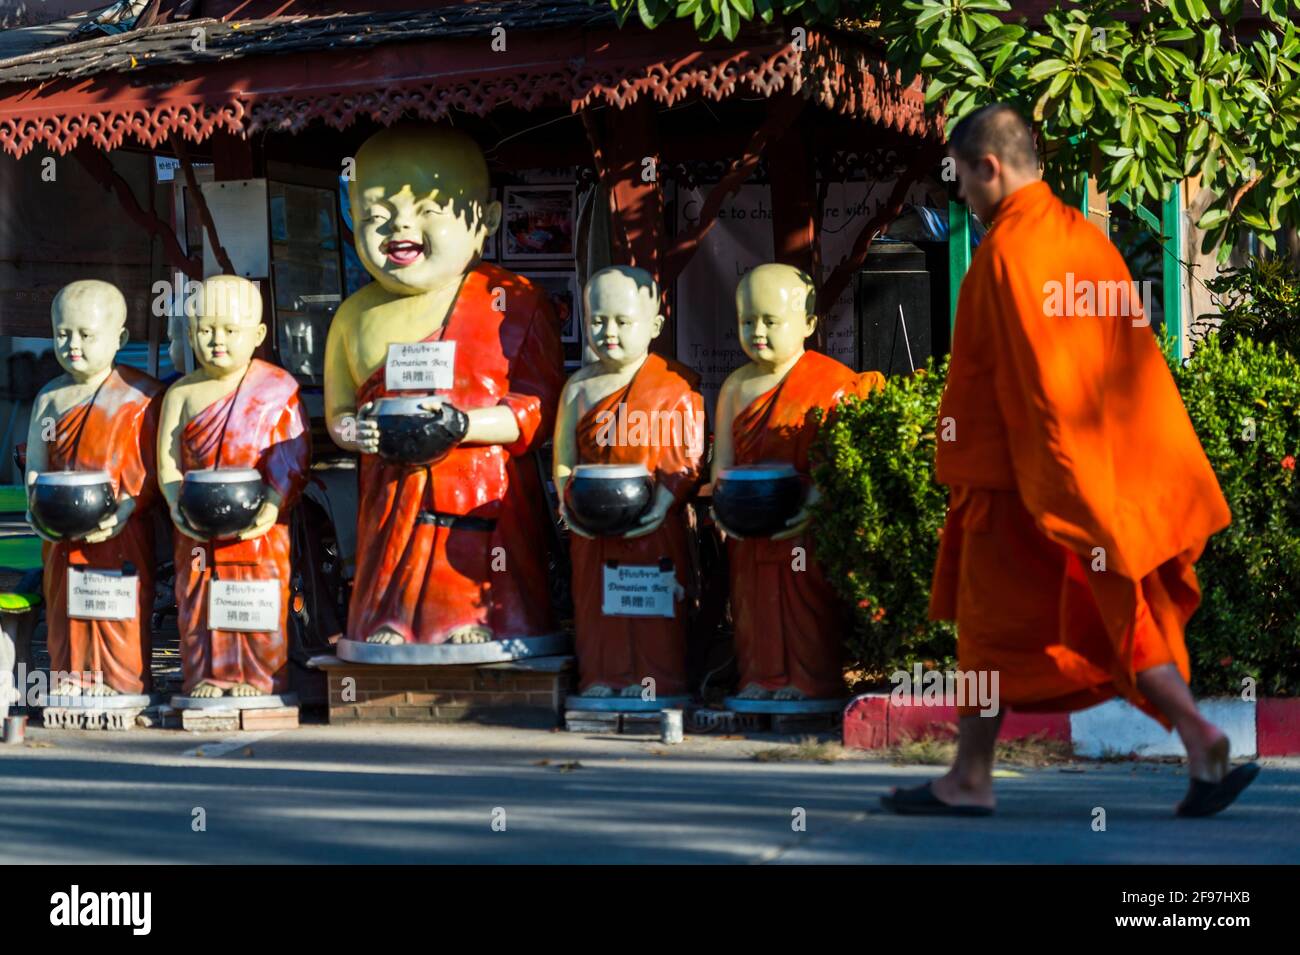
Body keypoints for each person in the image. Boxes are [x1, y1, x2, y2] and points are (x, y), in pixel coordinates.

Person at [882, 103, 1257, 818]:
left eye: (961, 181)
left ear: (988, 168)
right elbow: (1131, 368)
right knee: (1113, 612)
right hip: (1074, 474)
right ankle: (1194, 735)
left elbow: (1047, 394)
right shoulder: (1086, 240)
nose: (960, 197)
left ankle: (973, 776)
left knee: (994, 634)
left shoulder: (1008, 254)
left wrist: (1075, 500)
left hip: (1029, 488)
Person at [323, 125, 563, 650]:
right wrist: (354, 432)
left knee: (475, 554)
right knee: (388, 560)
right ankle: (387, 618)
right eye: (376, 212)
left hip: (481, 491)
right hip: (389, 487)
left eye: (428, 209)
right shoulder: (354, 316)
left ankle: (484, 619)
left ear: (488, 221)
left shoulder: (511, 302)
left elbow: (539, 410)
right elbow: (339, 412)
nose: (399, 225)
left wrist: (464, 426)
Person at [712, 264, 884, 701]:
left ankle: (808, 680)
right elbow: (724, 463)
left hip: (805, 524)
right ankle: (759, 677)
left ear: (808, 324)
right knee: (754, 605)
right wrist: (723, 506)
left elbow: (837, 464)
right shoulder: (735, 386)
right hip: (748, 523)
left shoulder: (829, 384)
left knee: (803, 605)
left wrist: (812, 505)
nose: (758, 332)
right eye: (747, 321)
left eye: (771, 321)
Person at [553, 266, 705, 698]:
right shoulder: (578, 389)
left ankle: (658, 681)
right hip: (592, 523)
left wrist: (662, 505)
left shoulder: (676, 386)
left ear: (655, 325)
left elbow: (686, 457)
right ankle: (604, 676)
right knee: (599, 605)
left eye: (623, 321)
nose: (609, 332)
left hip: (655, 521)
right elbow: (564, 458)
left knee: (654, 602)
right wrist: (568, 506)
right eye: (598, 320)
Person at [157, 276, 310, 698]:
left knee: (255, 594)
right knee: (198, 599)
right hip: (196, 521)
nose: (216, 341)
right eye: (205, 330)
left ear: (258, 334)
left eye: (230, 330)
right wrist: (174, 503)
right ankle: (207, 674)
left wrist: (271, 506)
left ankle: (258, 677)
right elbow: (168, 460)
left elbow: (291, 454)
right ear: (190, 334)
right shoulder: (182, 393)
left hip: (260, 522)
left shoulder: (277, 389)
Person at [25, 280, 163, 697]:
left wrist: (125, 509)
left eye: (86, 335)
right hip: (61, 531)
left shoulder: (141, 396)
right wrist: (36, 506)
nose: (73, 345)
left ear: (119, 338)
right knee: (66, 607)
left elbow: (155, 470)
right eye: (62, 333)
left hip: (119, 529)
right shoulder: (50, 399)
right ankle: (72, 676)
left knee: (116, 608)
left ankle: (122, 682)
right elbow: (36, 463)